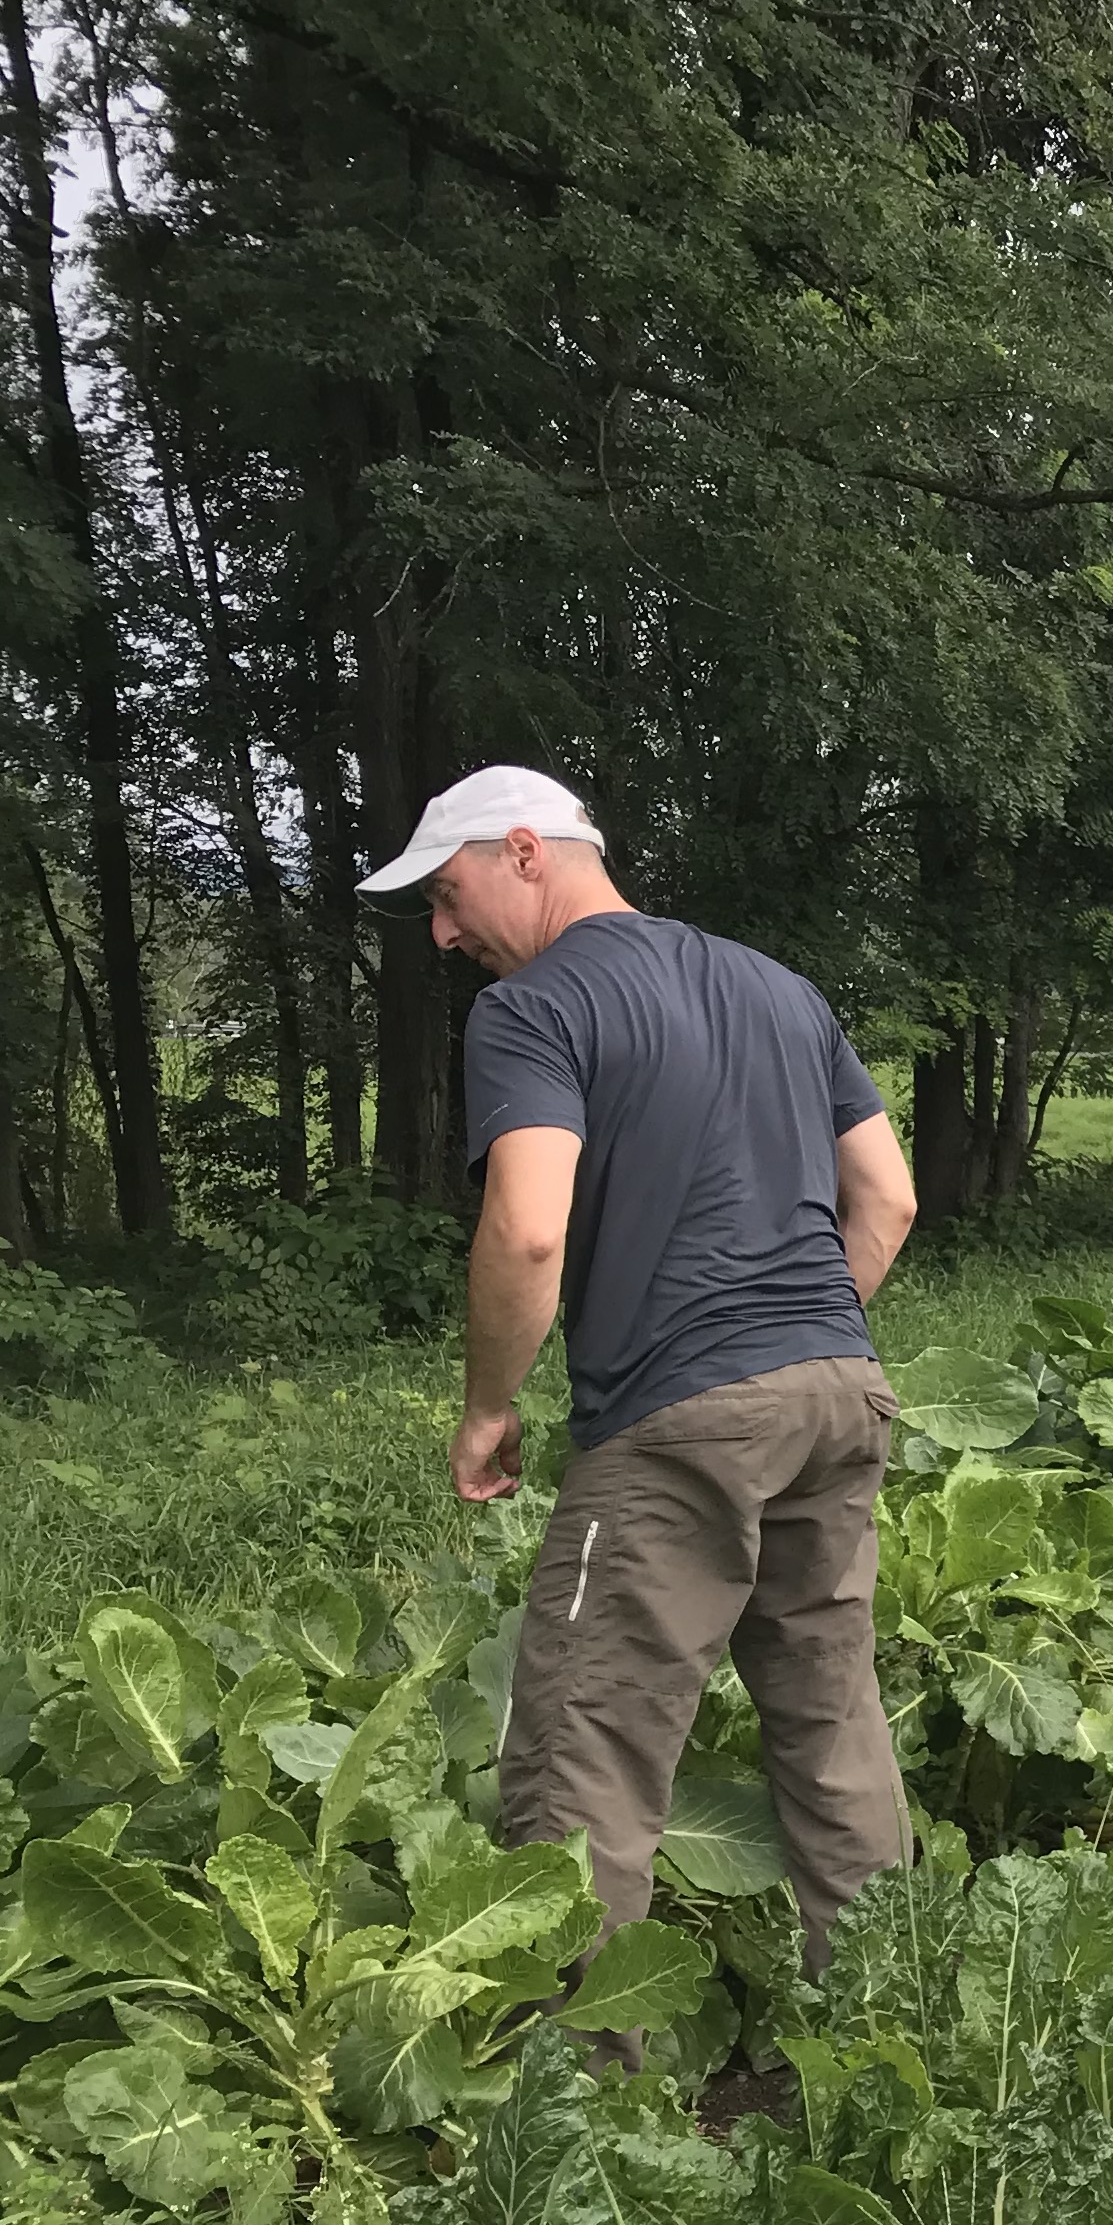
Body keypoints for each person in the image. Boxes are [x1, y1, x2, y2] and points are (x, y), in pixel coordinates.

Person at [368, 763, 920, 1988]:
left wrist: (488, 1407)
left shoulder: (534, 1013)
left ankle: (580, 2115)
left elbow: (525, 1231)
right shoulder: (778, 989)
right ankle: (898, 2034)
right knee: (831, 1715)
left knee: (586, 1742)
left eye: (449, 896)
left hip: (676, 1421)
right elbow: (888, 1197)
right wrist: (792, 1336)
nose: (446, 933)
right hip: (839, 1387)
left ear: (525, 852)